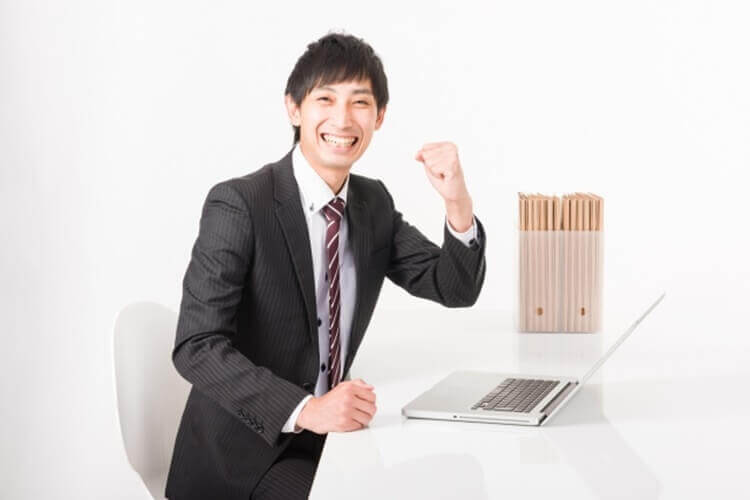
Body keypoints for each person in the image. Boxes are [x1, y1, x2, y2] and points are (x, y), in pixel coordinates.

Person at [165, 32, 487, 500]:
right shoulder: (240, 203)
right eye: (325, 99)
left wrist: (457, 201)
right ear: (294, 109)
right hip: (245, 456)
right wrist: (306, 409)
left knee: (454, 477)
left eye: (360, 102)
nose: (342, 118)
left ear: (379, 117)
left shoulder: (372, 203)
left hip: (337, 440)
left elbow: (453, 288)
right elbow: (196, 346)